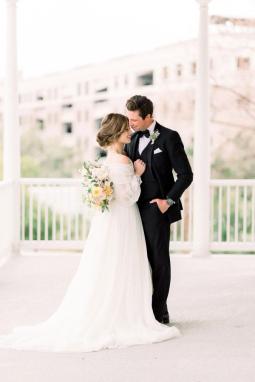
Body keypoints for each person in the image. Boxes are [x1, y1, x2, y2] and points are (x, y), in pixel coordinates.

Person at [0, 113, 180, 353]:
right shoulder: (125, 161)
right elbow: (128, 197)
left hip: (108, 221)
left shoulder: (109, 158)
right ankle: (126, 314)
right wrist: (137, 175)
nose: (130, 131)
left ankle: (114, 308)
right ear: (117, 133)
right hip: (124, 219)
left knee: (107, 264)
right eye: (126, 129)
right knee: (124, 264)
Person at [125, 95, 193, 324]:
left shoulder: (169, 137)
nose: (131, 123)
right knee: (137, 258)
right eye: (129, 118)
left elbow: (186, 175)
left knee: (159, 260)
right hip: (133, 208)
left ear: (149, 117)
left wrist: (168, 201)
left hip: (157, 209)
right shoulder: (132, 140)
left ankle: (159, 311)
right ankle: (140, 309)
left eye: (134, 119)